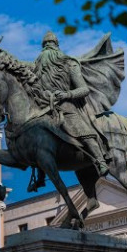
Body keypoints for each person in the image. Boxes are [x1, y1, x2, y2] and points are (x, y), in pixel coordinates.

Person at [33, 31, 110, 177]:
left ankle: (100, 161)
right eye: (45, 45)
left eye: (50, 44)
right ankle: (40, 173)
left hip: (67, 105)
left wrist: (67, 94)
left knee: (82, 131)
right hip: (44, 107)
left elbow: (84, 89)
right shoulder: (38, 66)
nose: (47, 48)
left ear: (56, 46)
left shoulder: (69, 63)